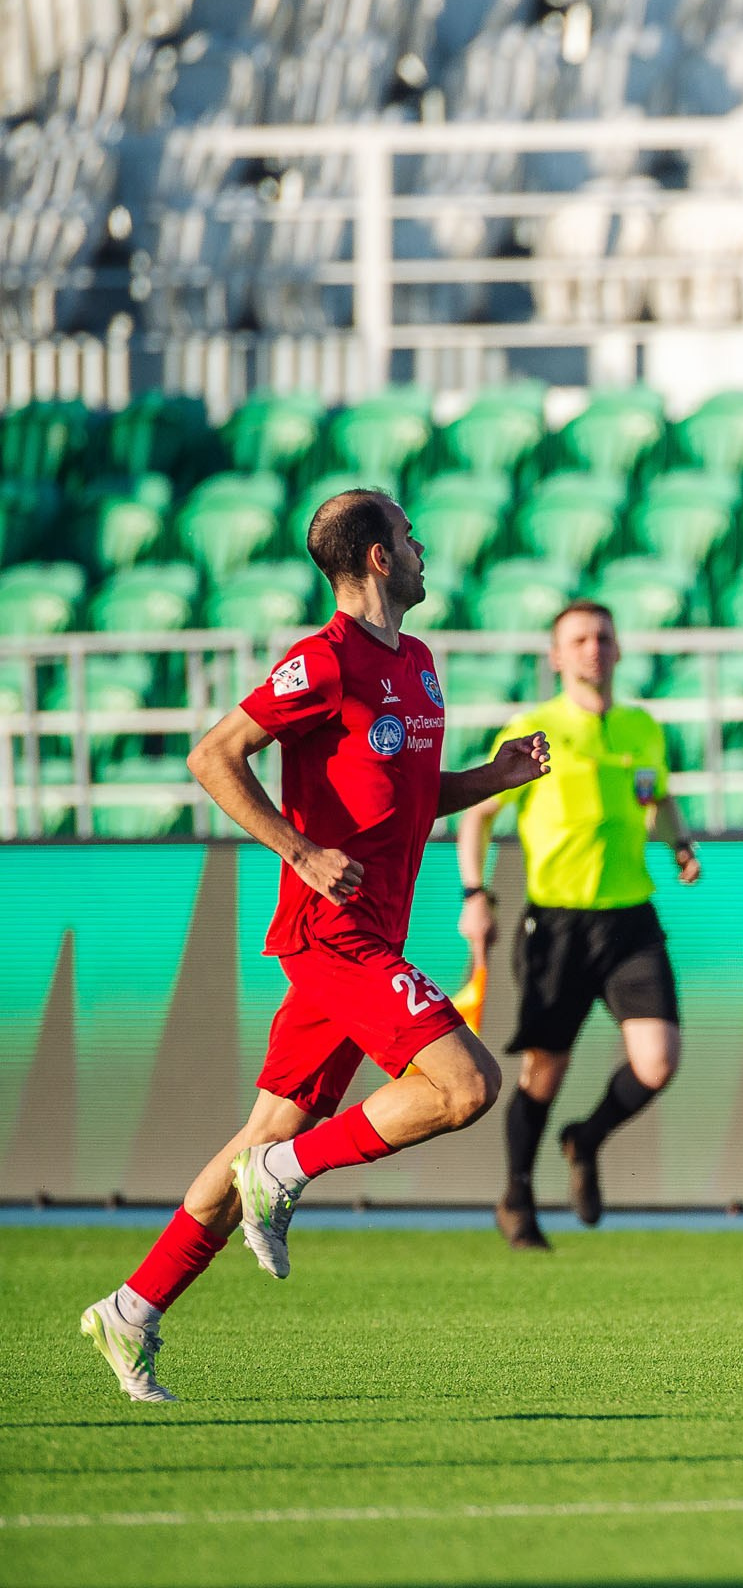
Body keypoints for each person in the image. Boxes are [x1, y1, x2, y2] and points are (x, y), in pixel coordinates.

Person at [80, 489, 549, 1403]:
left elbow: (406, 800)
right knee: (465, 1086)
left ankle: (133, 1308)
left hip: (371, 935)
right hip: (331, 936)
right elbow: (214, 755)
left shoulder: (417, 663)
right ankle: (284, 1176)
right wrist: (299, 848)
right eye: (409, 537)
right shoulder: (320, 661)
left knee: (264, 1127)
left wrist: (491, 777)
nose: (422, 549)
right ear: (378, 558)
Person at [455, 600, 699, 1250]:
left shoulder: (642, 727)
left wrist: (679, 844)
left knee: (658, 1061)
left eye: (604, 637)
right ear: (557, 657)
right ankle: (517, 1194)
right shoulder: (535, 726)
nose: (595, 648)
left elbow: (657, 798)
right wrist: (474, 893)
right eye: (580, 639)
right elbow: (477, 814)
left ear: (618, 651)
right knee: (544, 1072)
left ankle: (584, 1138)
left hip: (629, 919)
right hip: (558, 924)